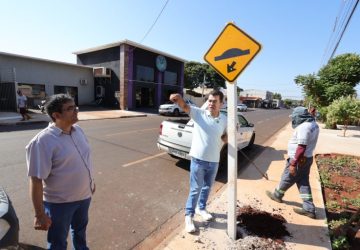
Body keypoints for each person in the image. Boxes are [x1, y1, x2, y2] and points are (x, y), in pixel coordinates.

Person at [26, 94, 95, 249]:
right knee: (58, 242)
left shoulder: (78, 131)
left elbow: (84, 160)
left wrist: (91, 182)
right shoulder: (42, 141)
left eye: (75, 106)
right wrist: (39, 214)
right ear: (56, 115)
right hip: (60, 204)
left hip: (84, 197)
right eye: (70, 108)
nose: (76, 110)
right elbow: (36, 180)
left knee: (80, 233)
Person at [170, 90, 227, 233]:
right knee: (196, 189)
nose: (211, 103)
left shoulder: (225, 119)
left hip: (214, 161)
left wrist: (230, 136)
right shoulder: (199, 114)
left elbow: (224, 137)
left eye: (215, 101)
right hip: (198, 160)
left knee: (207, 187)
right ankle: (189, 216)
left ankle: (201, 208)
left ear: (222, 103)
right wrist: (178, 99)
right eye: (209, 100)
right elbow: (185, 107)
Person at [266, 107, 319, 219]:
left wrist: (293, 164)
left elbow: (301, 147)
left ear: (299, 117)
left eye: (295, 117)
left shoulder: (304, 127)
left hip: (299, 159)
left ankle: (277, 195)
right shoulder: (313, 124)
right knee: (303, 182)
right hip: (307, 158)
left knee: (287, 178)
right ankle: (309, 208)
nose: (293, 119)